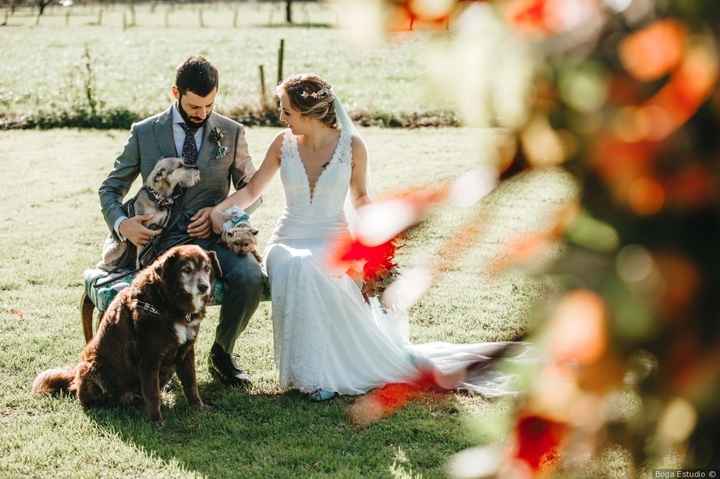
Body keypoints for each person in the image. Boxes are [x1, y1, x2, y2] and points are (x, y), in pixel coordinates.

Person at [210, 74, 526, 400]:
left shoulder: (352, 147)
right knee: (296, 264)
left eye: (287, 111)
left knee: (321, 266)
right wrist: (217, 211)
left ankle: (330, 372)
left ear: (309, 113)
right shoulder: (282, 144)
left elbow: (360, 198)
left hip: (333, 238)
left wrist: (374, 239)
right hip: (288, 238)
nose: (281, 117)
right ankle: (309, 375)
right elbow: (251, 190)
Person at [99, 56, 265, 388]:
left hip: (212, 243)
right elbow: (110, 188)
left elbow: (253, 190)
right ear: (175, 92)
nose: (202, 113)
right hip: (159, 247)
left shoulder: (232, 132)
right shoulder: (144, 132)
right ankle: (163, 360)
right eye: (194, 105)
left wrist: (218, 211)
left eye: (209, 105)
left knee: (249, 276)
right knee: (159, 296)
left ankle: (222, 354)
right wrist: (123, 225)